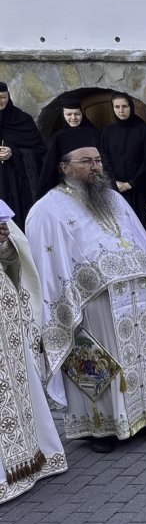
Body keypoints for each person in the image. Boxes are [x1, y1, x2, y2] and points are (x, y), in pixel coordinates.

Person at [27, 127, 146, 454]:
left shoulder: (112, 196)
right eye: (86, 161)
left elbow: (139, 240)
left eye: (97, 160)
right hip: (91, 304)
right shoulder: (47, 209)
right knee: (98, 361)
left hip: (136, 297)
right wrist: (65, 306)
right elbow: (47, 266)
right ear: (63, 166)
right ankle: (101, 429)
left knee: (139, 356)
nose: (96, 166)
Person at [0, 206, 68, 503]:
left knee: (18, 381)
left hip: (6, 316)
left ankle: (30, 458)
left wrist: (5, 242)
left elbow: (15, 262)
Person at [98, 92, 146, 227]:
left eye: (124, 106)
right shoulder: (108, 132)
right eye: (117, 107)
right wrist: (115, 182)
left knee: (141, 227)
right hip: (116, 191)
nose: (121, 110)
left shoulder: (144, 130)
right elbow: (105, 159)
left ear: (131, 107)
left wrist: (132, 183)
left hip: (140, 190)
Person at [0, 84, 46, 229]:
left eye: (3, 97)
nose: (0, 101)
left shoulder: (22, 120)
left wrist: (14, 153)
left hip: (18, 183)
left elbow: (39, 150)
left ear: (8, 97)